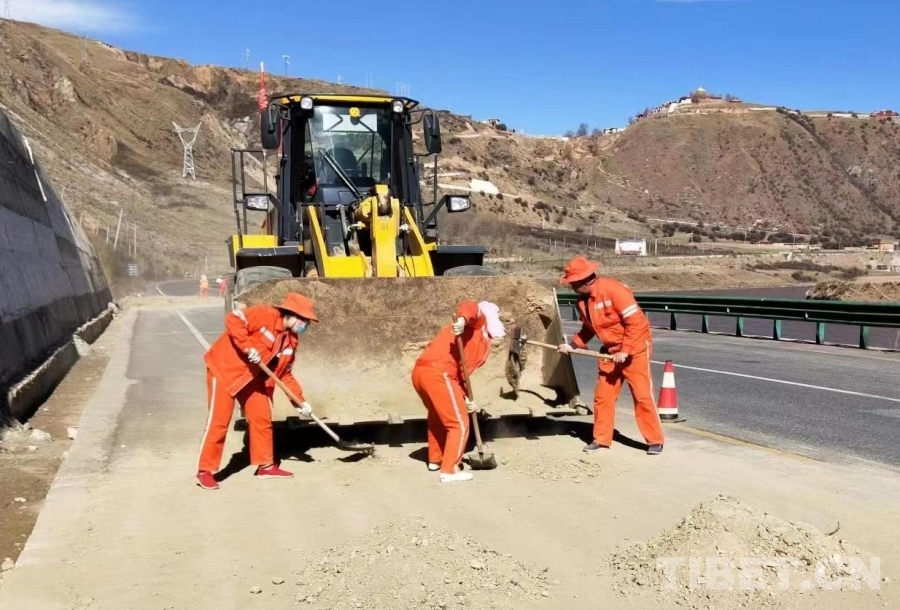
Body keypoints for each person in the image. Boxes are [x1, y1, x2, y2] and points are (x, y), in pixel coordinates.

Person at [196, 292, 319, 490]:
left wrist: (300, 402)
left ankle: (266, 466)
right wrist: (247, 347)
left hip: (250, 378)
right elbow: (233, 319)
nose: (305, 325)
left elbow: (284, 374)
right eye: (304, 320)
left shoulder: (291, 341)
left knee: (262, 417)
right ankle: (205, 470)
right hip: (225, 370)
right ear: (291, 314)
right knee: (219, 422)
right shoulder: (264, 314)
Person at [557, 256, 664, 455]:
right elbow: (588, 329)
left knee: (642, 395)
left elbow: (636, 323)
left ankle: (654, 440)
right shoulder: (582, 302)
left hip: (635, 348)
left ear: (585, 280)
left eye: (573, 283)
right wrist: (571, 345)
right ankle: (601, 439)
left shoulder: (614, 290)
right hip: (610, 352)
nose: (571, 287)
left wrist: (625, 350)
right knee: (603, 397)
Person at [411, 300, 506, 483]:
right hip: (440, 373)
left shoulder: (478, 338)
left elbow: (461, 374)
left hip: (422, 372)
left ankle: (436, 459)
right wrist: (462, 320)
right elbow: (471, 307)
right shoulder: (477, 324)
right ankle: (450, 470)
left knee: (438, 417)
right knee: (459, 423)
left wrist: (466, 397)